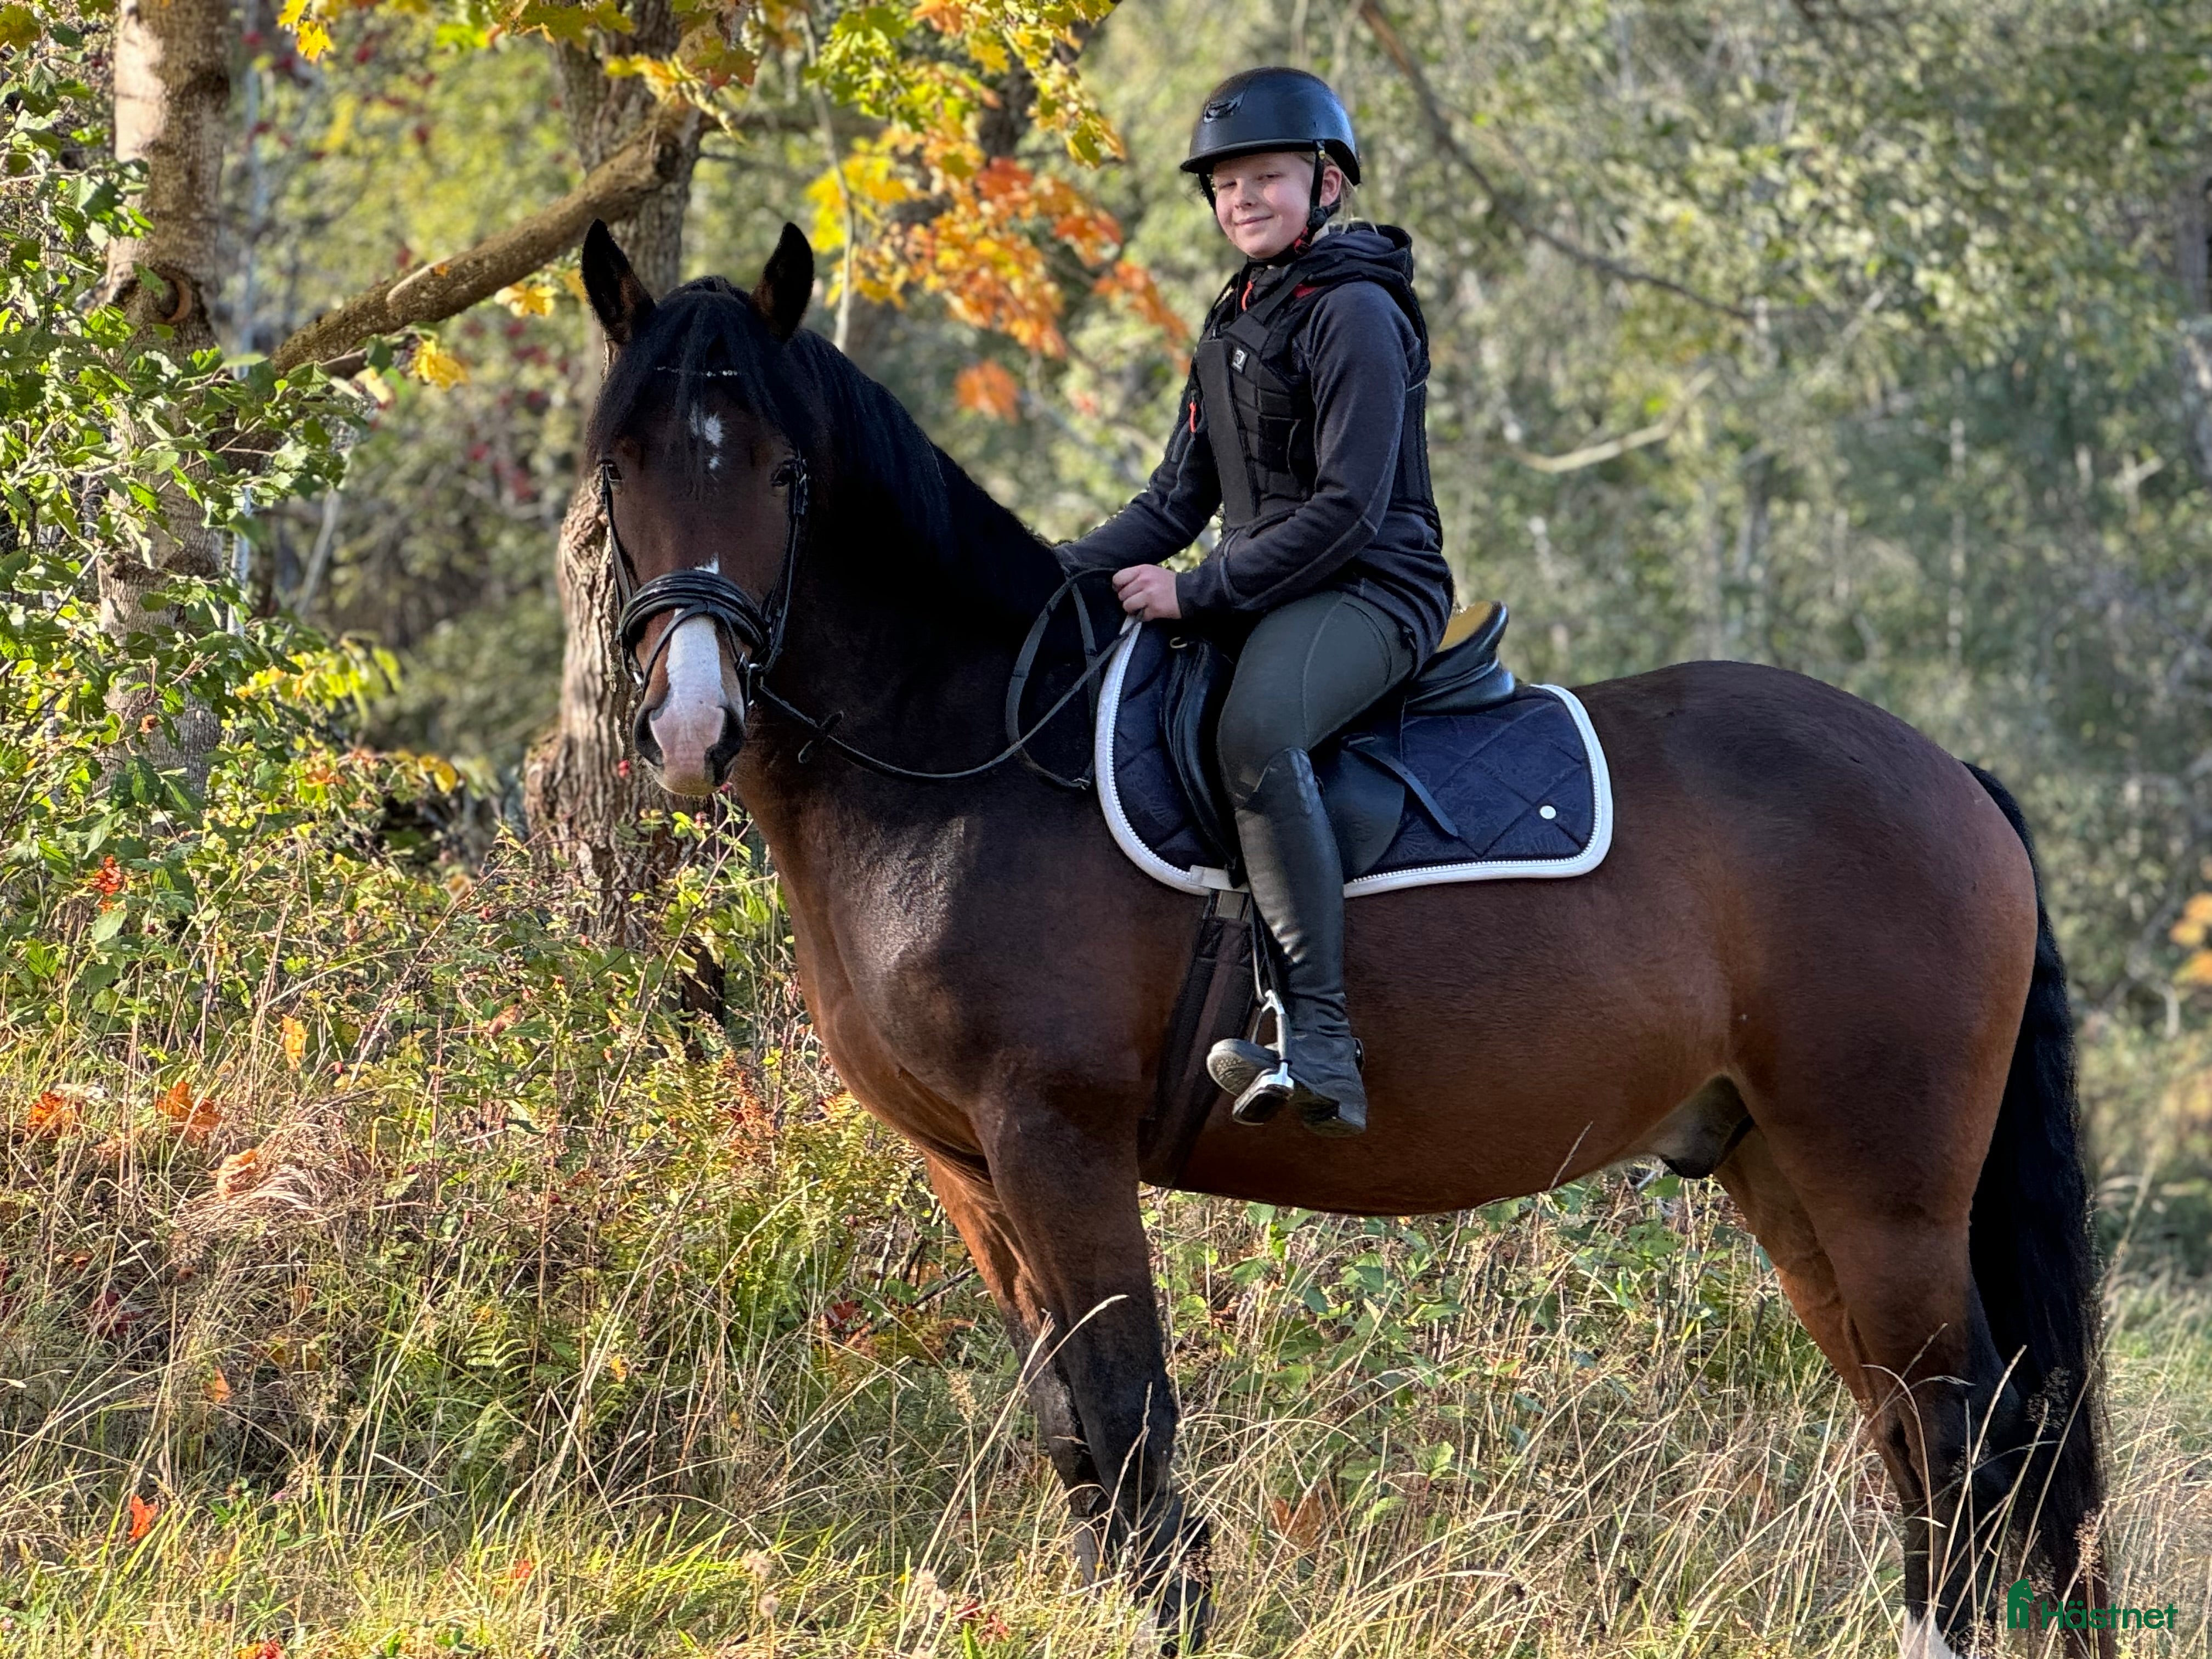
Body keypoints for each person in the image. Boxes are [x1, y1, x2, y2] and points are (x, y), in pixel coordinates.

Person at [1059, 67, 1454, 1137]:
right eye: (1225, 185)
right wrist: (1048, 575)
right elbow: (1175, 498)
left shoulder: (1358, 312)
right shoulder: (1232, 315)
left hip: (1373, 586)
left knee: (1257, 730)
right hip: (1267, 589)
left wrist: (1197, 590)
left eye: (1266, 178)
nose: (1241, 200)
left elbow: (1349, 510)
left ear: (1327, 184)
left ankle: (1320, 1039)